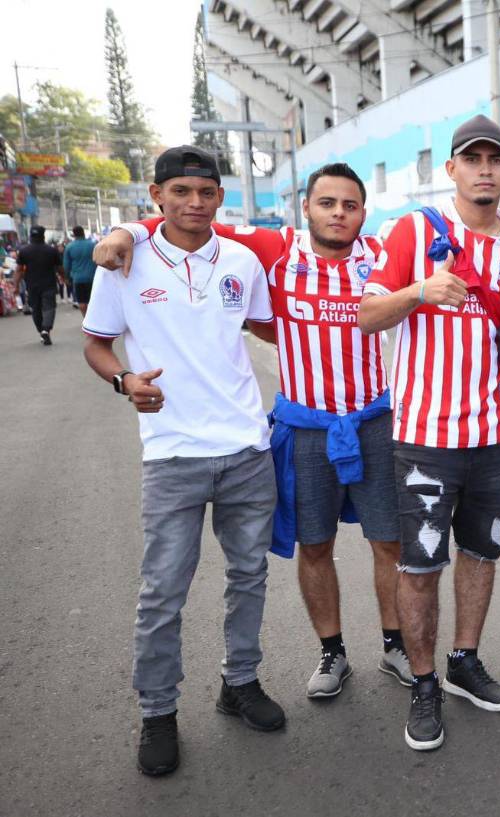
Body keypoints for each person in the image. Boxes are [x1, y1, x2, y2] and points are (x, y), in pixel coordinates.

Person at [92, 163, 417, 700]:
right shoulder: (275, 247)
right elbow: (190, 218)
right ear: (306, 208)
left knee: (389, 542)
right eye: (327, 203)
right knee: (315, 545)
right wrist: (126, 230)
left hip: (374, 422)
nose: (338, 214)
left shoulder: (383, 255)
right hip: (305, 427)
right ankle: (332, 653)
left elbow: (450, 242)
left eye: (350, 205)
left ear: (364, 212)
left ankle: (395, 645)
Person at [81, 146, 285, 777]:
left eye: (206, 192)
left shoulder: (242, 261)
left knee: (249, 576)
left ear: (219, 196)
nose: (195, 203)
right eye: (181, 191)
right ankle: (158, 711)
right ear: (157, 195)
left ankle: (239, 682)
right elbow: (96, 343)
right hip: (172, 455)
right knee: (163, 591)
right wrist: (125, 382)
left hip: (246, 449)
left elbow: (266, 328)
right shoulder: (125, 261)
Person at [359, 114, 500, 752]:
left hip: (498, 435)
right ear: (451, 169)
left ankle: (464, 662)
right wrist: (419, 291)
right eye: (471, 159)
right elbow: (367, 315)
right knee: (421, 563)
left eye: (494, 159)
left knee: (482, 555)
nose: (483, 169)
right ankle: (424, 681)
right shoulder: (415, 230)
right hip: (426, 437)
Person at [13, 225, 63, 344]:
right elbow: (59, 268)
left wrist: (16, 286)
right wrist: (65, 278)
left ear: (30, 236)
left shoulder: (24, 251)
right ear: (43, 236)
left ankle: (41, 330)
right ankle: (46, 329)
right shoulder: (51, 250)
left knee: (36, 309)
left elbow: (19, 270)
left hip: (32, 286)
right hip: (49, 284)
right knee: (49, 308)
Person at [63, 226, 98, 316]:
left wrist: (66, 277)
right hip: (92, 277)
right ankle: (94, 318)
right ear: (83, 233)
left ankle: (86, 318)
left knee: (81, 302)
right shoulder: (93, 245)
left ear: (74, 235)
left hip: (77, 278)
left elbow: (66, 265)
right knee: (93, 300)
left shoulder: (69, 247)